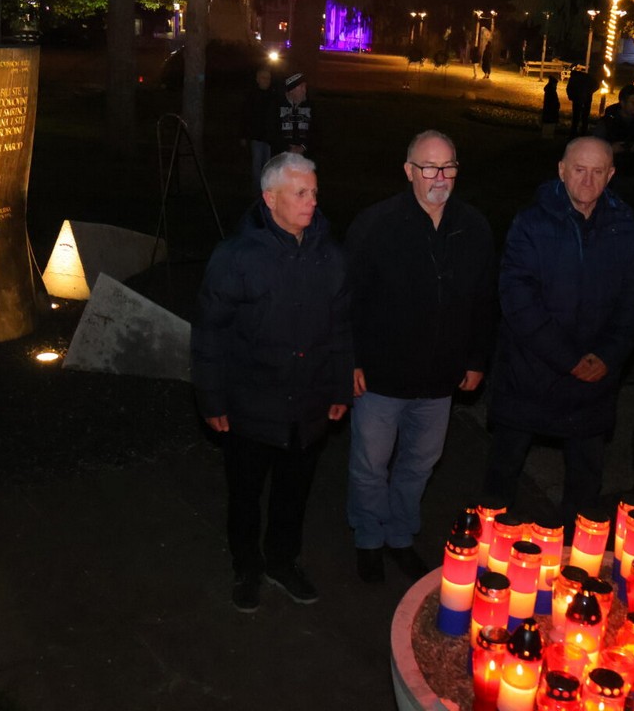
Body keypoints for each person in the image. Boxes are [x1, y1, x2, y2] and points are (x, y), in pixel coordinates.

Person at [191, 152, 352, 612]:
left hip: (308, 405)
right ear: (270, 198)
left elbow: (341, 329)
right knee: (245, 493)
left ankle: (283, 560)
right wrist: (211, 398)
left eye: (314, 192)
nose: (311, 202)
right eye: (300, 193)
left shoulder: (330, 257)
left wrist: (339, 388)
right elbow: (209, 333)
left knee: (293, 493)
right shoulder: (236, 258)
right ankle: (247, 566)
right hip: (249, 406)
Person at [346, 130, 496, 584]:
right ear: (409, 170)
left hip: (439, 379)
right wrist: (349, 359)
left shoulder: (473, 227)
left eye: (448, 166)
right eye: (429, 167)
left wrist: (476, 358)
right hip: (380, 376)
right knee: (370, 465)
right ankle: (369, 540)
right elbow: (347, 298)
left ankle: (400, 536)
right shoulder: (375, 225)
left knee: (418, 464)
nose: (440, 177)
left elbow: (485, 300)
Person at [484, 137, 634, 539]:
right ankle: (487, 555)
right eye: (579, 169)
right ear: (561, 170)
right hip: (530, 374)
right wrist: (568, 358)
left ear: (611, 174)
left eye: (598, 172)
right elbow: (518, 300)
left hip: (593, 382)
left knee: (585, 485)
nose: (588, 180)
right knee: (502, 476)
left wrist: (608, 356)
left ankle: (575, 566)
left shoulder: (626, 226)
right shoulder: (531, 223)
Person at [594, 83, 634, 206]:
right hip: (613, 178)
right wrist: (610, 149)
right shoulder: (607, 122)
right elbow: (593, 148)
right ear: (622, 103)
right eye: (633, 103)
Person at [240, 66, 278, 189]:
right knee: (257, 164)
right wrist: (244, 135)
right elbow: (245, 115)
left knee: (268, 164)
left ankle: (265, 189)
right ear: (258, 79)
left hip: (269, 136)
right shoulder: (252, 95)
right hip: (256, 135)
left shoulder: (273, 95)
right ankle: (257, 189)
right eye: (263, 78)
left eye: (268, 78)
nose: (266, 81)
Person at [276, 72, 313, 156]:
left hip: (304, 157)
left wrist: (303, 147)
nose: (304, 90)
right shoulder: (277, 105)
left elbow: (315, 130)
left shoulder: (310, 106)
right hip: (282, 156)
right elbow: (273, 131)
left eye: (305, 87)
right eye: (301, 87)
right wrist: (288, 148)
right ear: (292, 90)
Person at [566, 65, 598, 136]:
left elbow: (568, 88)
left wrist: (571, 97)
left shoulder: (573, 78)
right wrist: (590, 92)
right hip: (587, 98)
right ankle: (583, 131)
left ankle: (574, 132)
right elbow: (596, 85)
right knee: (585, 116)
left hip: (577, 99)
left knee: (576, 116)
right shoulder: (588, 77)